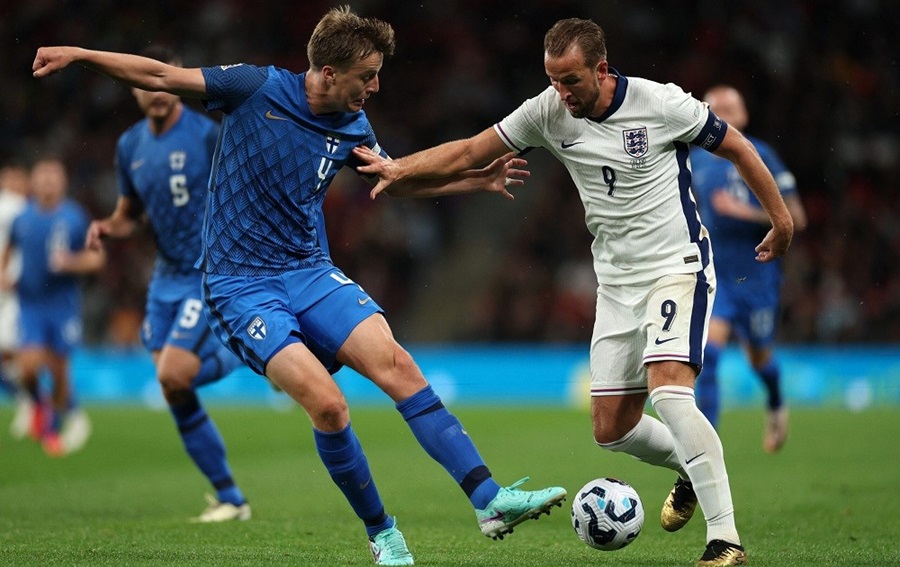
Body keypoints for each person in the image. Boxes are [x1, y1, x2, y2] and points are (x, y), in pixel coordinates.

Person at [33, 6, 565, 566]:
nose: (376, 86)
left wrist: (470, 181)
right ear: (329, 73)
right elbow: (164, 77)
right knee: (330, 407)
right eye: (368, 75)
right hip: (241, 285)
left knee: (399, 365)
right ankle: (382, 532)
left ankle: (490, 500)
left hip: (309, 272)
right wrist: (83, 56)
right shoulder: (253, 87)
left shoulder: (354, 125)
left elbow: (390, 182)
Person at [353, 17, 794, 567]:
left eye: (571, 81)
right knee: (611, 429)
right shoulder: (547, 110)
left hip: (676, 267)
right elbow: (471, 151)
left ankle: (725, 540)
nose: (562, 93)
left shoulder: (662, 104)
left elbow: (738, 148)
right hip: (615, 283)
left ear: (602, 69)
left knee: (671, 392)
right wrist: (398, 168)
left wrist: (781, 221)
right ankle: (688, 464)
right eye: (553, 80)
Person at [84, 45, 251, 522]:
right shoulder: (130, 145)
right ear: (133, 89)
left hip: (205, 269)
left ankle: (242, 353)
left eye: (163, 80)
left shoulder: (205, 135)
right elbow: (129, 215)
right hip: (165, 277)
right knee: (174, 388)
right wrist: (108, 227)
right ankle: (230, 498)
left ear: (175, 80)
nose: (154, 92)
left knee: (173, 374)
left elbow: (240, 190)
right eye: (142, 85)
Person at [689, 85, 807, 453]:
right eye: (715, 106)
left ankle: (775, 401)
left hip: (757, 276)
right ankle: (706, 449)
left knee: (760, 359)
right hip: (716, 278)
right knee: (708, 358)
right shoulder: (694, 160)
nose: (723, 111)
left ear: (744, 114)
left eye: (731, 105)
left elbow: (797, 218)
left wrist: (745, 213)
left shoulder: (763, 155)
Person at [0, 158, 105, 456]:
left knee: (59, 371)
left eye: (52, 176)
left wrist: (71, 262)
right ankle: (41, 407)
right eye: (42, 176)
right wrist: (4, 274)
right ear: (33, 182)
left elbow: (96, 258)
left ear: (62, 182)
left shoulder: (74, 217)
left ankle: (54, 424)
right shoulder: (23, 218)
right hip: (30, 303)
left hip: (62, 305)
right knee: (28, 368)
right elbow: (8, 250)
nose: (47, 182)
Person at [0, 164, 32, 438]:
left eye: (16, 178)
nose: (12, 183)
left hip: (15, 293)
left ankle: (31, 402)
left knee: (10, 350)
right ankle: (29, 401)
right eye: (8, 177)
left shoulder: (23, 211)